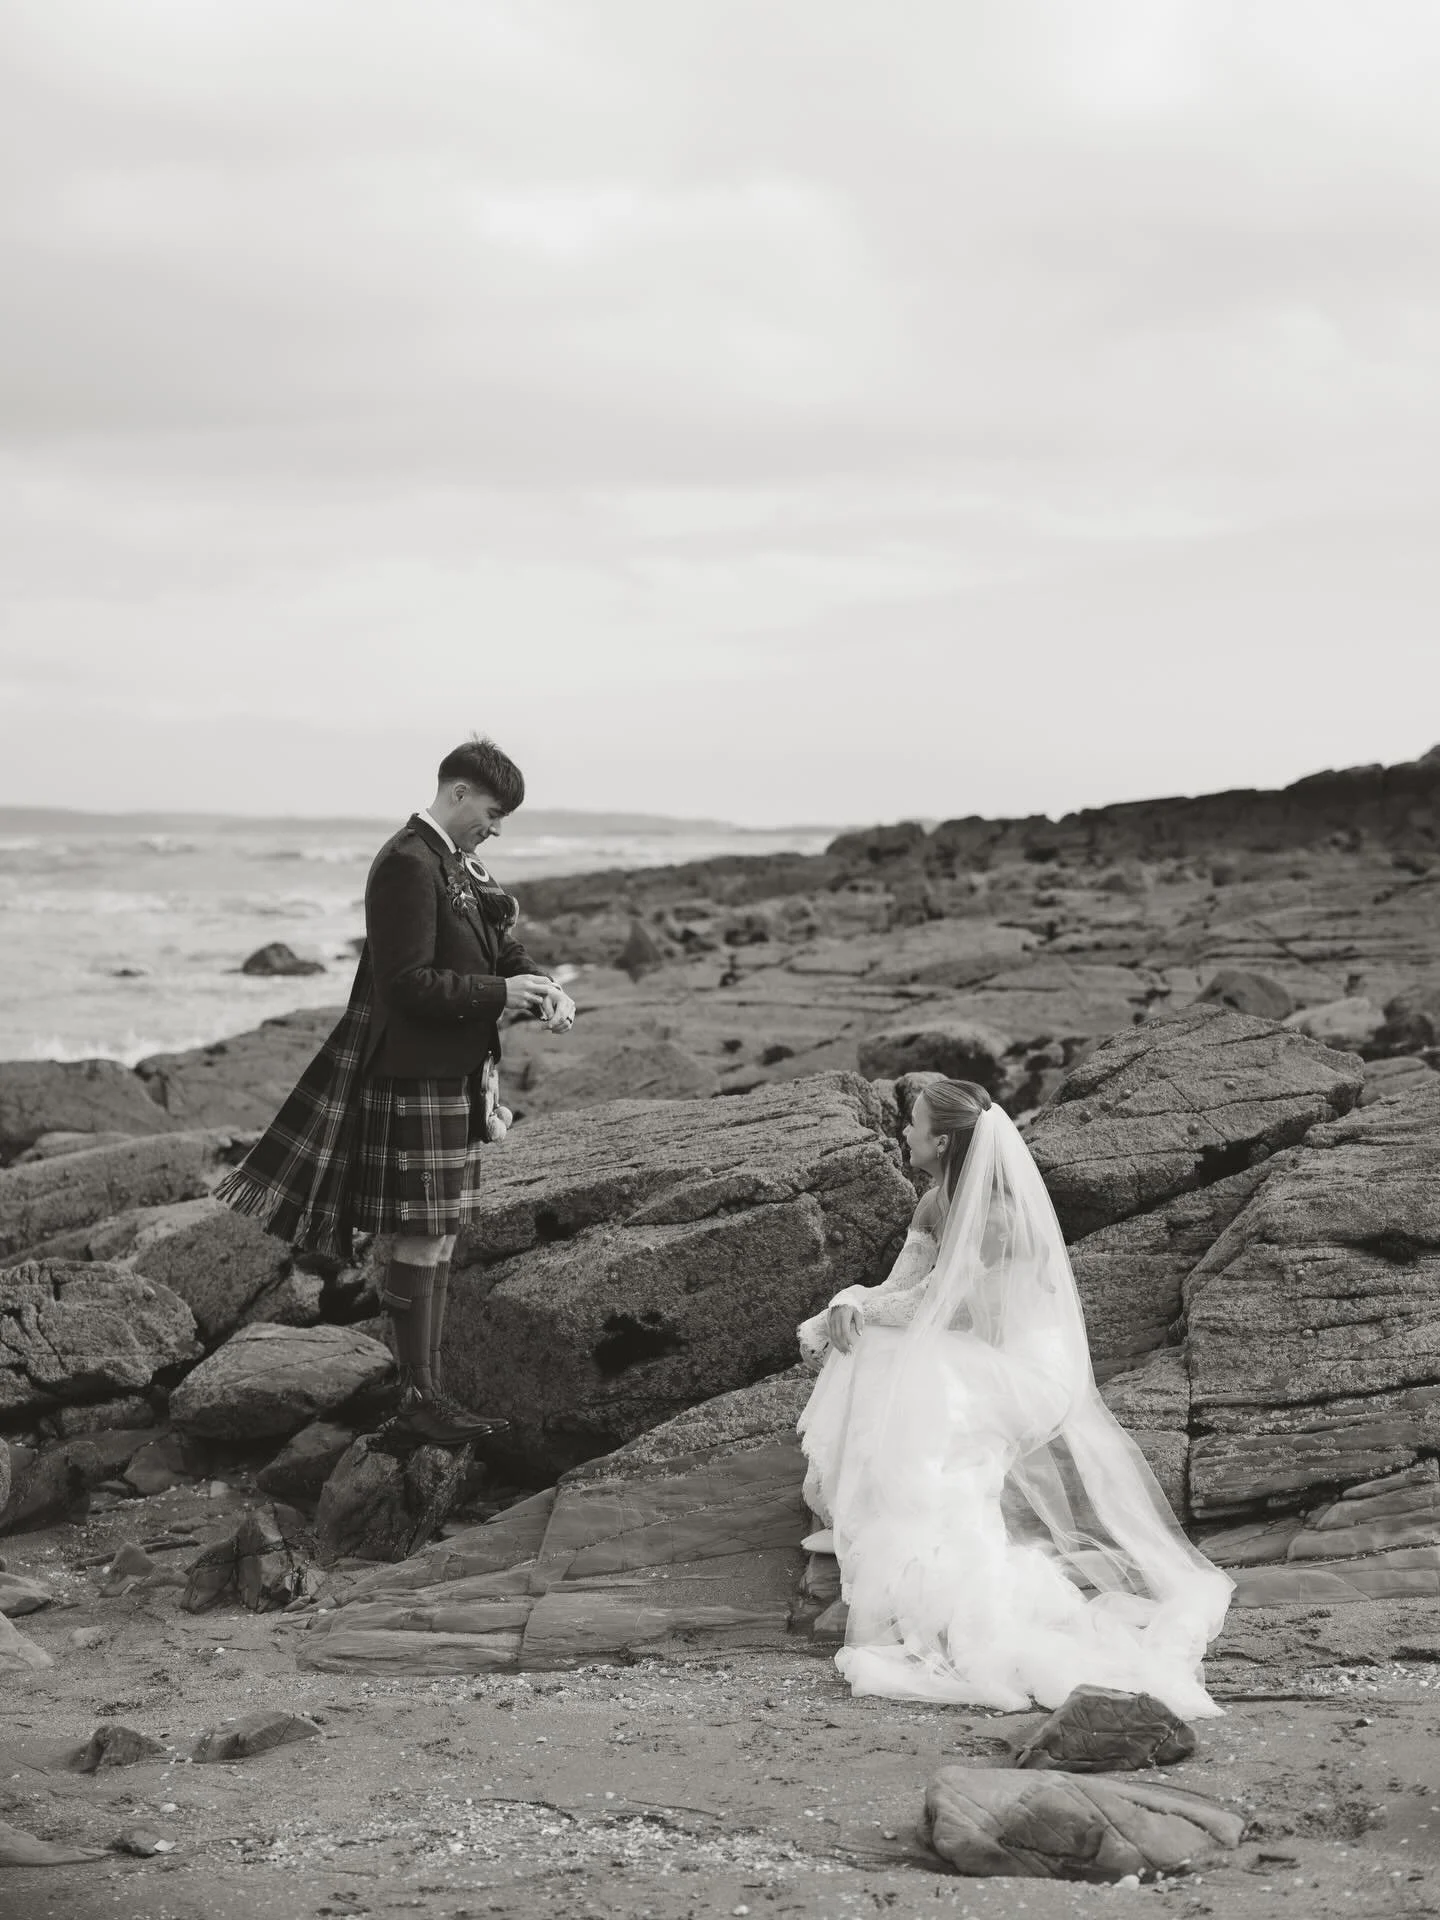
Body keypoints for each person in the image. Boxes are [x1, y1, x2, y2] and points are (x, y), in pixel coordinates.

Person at [796, 1080, 1233, 1719]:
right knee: (876, 1352)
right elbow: (903, 1287)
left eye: (913, 1124)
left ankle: (925, 1555)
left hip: (1025, 1368)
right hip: (972, 1344)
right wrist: (850, 1304)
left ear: (941, 1141)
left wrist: (847, 1309)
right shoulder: (933, 1204)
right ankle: (890, 1525)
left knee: (905, 1365)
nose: (904, 1133)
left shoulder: (996, 1217)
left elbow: (946, 1311)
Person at [217, 735, 575, 1446]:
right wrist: (498, 992)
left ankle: (426, 1393)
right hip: (411, 1074)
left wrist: (538, 985)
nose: (496, 828)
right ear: (459, 792)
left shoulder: (456, 863)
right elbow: (404, 984)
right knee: (417, 1238)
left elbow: (497, 944)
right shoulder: (407, 864)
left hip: (450, 1074)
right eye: (494, 812)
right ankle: (418, 1400)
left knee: (436, 1238)